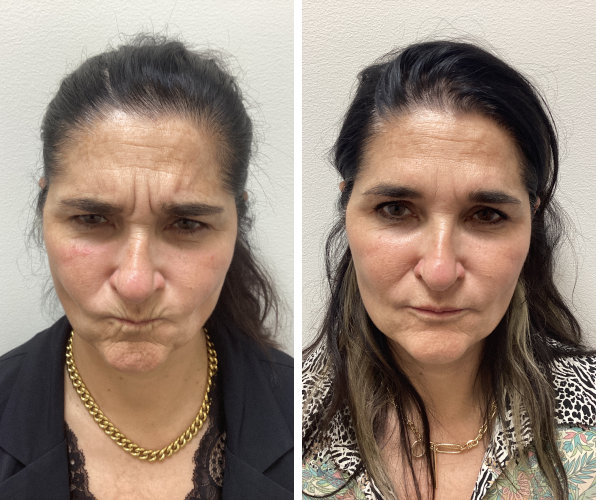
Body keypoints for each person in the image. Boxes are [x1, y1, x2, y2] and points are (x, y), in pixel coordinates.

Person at [0, 34, 293, 499]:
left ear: (236, 222)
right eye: (92, 219)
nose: (135, 284)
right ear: (45, 210)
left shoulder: (308, 410)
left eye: (187, 224)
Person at [302, 40, 596, 500]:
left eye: (487, 215)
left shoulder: (587, 409)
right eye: (396, 209)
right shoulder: (277, 418)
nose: (440, 272)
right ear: (347, 209)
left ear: (531, 221)